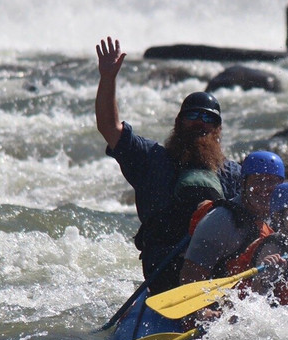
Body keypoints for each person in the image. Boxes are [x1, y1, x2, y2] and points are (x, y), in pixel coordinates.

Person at [95, 36, 241, 292]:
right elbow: (109, 127)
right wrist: (108, 79)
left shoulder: (232, 173)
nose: (200, 123)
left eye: (208, 119)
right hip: (164, 268)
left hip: (215, 271)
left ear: (217, 129)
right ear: (178, 123)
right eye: (192, 116)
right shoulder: (151, 159)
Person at [178, 150, 286, 289]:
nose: (265, 188)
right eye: (258, 180)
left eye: (272, 181)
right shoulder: (220, 221)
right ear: (243, 183)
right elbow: (190, 276)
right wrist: (204, 311)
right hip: (218, 300)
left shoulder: (283, 217)